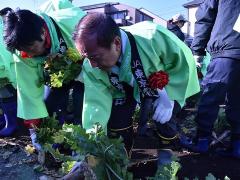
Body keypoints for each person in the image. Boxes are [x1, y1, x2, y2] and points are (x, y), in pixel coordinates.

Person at [73, 13, 200, 152]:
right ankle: (122, 159)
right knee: (117, 123)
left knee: (163, 119)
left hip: (162, 87)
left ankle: (170, 152)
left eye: (95, 57)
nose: (92, 65)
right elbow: (95, 103)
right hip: (122, 88)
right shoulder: (91, 64)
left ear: (116, 43)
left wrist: (170, 97)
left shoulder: (152, 37)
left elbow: (183, 62)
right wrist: (93, 139)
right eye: (86, 58)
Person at [2, 0, 86, 149]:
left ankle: (82, 142)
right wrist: (34, 129)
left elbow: (95, 60)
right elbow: (28, 90)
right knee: (50, 103)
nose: (28, 53)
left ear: (43, 32)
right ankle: (57, 141)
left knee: (81, 100)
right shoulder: (22, 50)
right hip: (57, 74)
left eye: (31, 48)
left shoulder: (76, 23)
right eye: (24, 50)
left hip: (85, 68)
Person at [186, 0, 240, 158]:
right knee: (238, 101)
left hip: (226, 47)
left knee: (211, 95)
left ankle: (202, 141)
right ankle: (237, 146)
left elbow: (205, 16)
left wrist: (197, 50)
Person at [0, 7, 17, 136]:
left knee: (7, 96)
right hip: (5, 70)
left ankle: (11, 124)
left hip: (5, 71)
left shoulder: (6, 26)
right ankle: (7, 122)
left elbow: (5, 53)